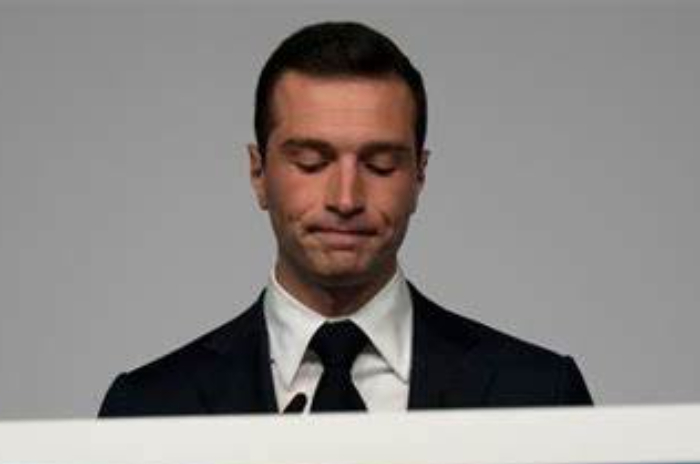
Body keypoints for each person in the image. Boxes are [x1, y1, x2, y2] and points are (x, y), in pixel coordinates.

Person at [100, 21, 592, 417]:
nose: (345, 198)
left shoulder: (540, 394)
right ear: (258, 173)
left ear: (419, 176)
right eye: (311, 162)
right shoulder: (147, 408)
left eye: (381, 165)